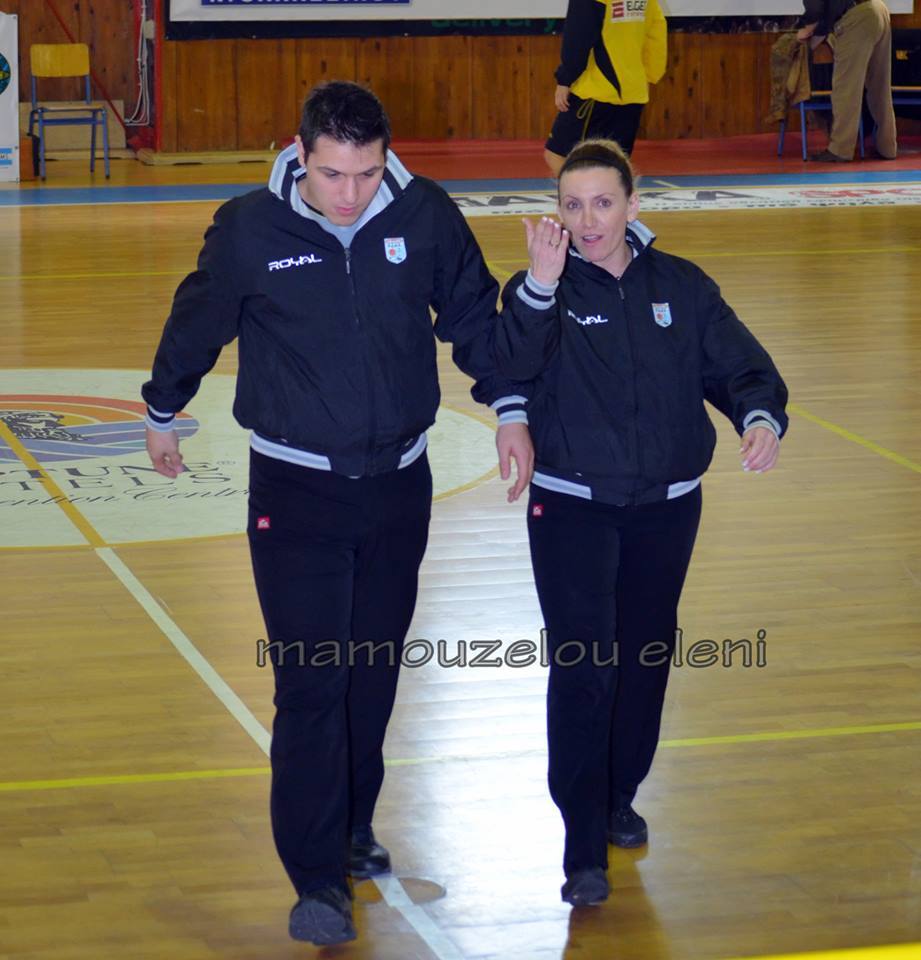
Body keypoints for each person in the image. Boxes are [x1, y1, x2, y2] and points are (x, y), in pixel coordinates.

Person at [142, 81, 533, 946]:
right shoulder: (250, 229)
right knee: (313, 682)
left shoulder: (425, 216)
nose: (349, 195)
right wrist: (163, 407)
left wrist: (509, 409)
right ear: (299, 155)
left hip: (398, 486)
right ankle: (317, 880)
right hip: (295, 493)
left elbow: (474, 317)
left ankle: (353, 825)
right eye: (330, 175)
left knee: (372, 671)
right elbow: (197, 319)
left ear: (386, 157)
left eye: (365, 173)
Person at [493, 139, 788, 907]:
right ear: (555, 213)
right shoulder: (540, 288)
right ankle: (580, 844)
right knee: (584, 665)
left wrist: (758, 417)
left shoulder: (680, 285)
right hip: (569, 507)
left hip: (667, 507)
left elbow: (740, 367)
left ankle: (618, 793)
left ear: (632, 204)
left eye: (602, 203)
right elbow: (504, 367)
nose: (586, 221)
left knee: (644, 658)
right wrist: (538, 286)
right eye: (571, 205)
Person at [545, 0, 667, 176]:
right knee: (615, 163)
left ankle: (584, 193)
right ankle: (613, 194)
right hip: (633, 91)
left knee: (557, 155)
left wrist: (565, 79)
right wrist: (648, 76)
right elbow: (656, 33)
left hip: (596, 90)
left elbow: (578, 37)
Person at [798, 0, 898, 161]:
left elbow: (816, 7)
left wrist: (808, 29)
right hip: (878, 9)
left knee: (846, 89)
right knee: (880, 87)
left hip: (855, 18)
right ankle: (887, 147)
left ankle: (840, 149)